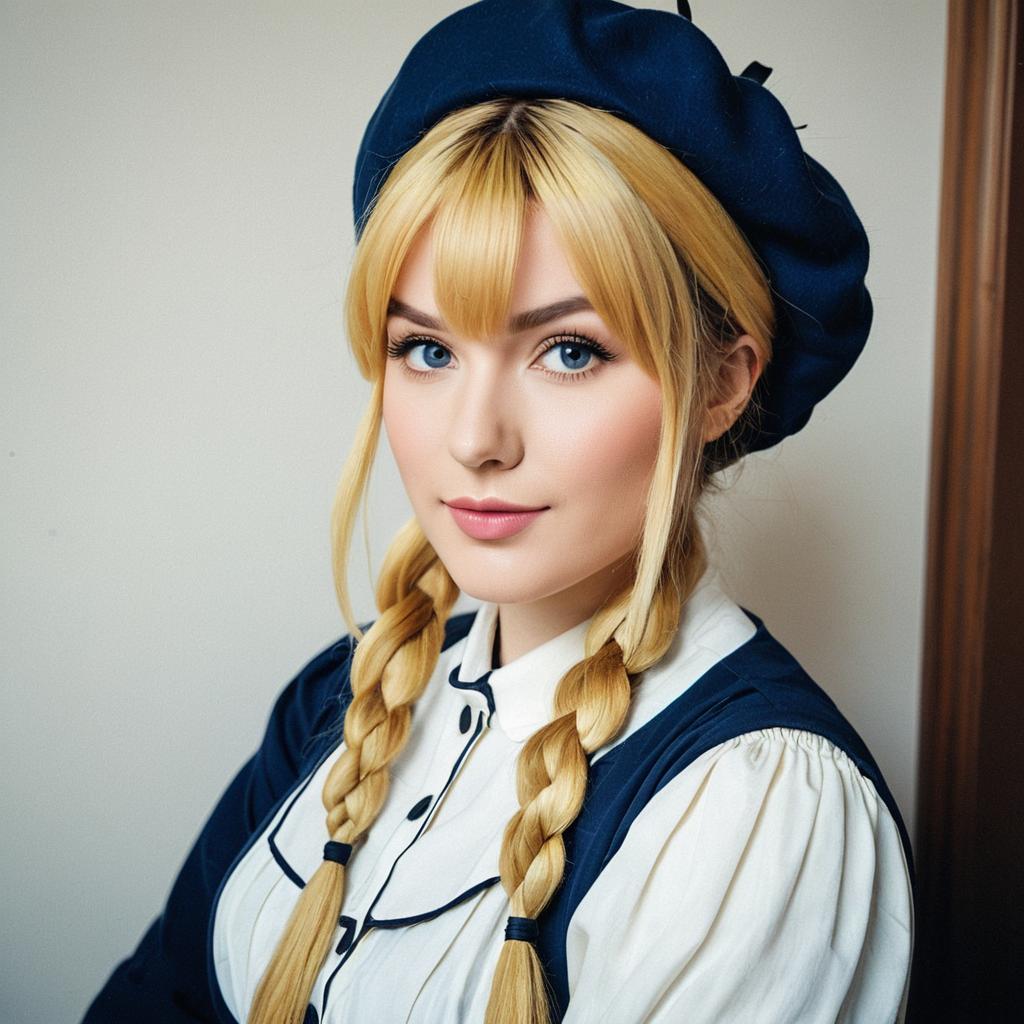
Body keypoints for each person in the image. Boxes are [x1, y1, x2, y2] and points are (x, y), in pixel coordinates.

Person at [82, 1, 915, 1022]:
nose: (475, 437)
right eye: (427, 350)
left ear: (721, 386)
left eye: (569, 351)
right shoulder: (335, 703)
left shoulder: (759, 808)